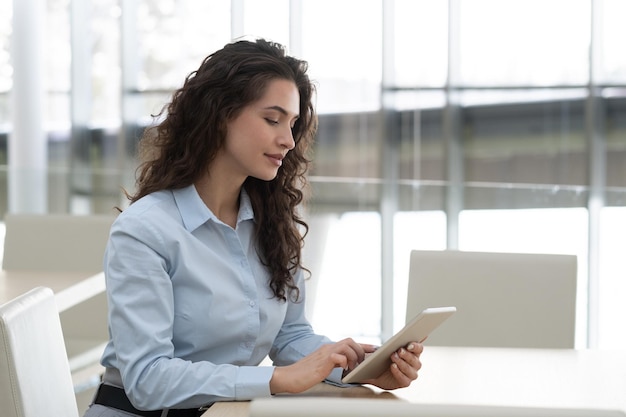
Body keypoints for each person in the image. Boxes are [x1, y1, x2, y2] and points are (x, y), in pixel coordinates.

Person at [84, 38, 424, 417]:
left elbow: (289, 335)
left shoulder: (272, 224)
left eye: (293, 124)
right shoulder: (146, 231)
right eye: (272, 119)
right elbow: (147, 379)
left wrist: (351, 368)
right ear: (219, 115)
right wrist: (276, 380)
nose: (288, 140)